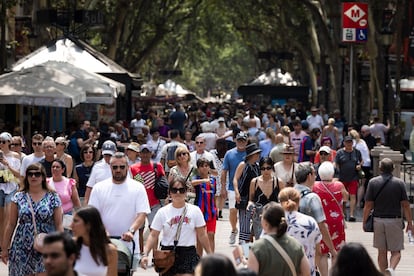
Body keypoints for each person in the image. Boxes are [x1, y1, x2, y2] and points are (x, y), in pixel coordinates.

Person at [89, 152, 150, 268]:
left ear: (127, 167)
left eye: (122, 167)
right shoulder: (99, 188)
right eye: (115, 167)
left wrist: (131, 231)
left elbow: (142, 214)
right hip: (103, 244)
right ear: (110, 168)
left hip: (129, 245)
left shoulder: (138, 187)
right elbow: (93, 215)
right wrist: (103, 231)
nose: (118, 170)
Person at [140, 178, 212, 275]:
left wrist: (210, 255)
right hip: (167, 254)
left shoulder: (195, 211)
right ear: (170, 193)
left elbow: (202, 235)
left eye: (181, 190)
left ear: (186, 192)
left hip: (188, 253)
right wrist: (145, 254)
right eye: (174, 190)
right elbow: (153, 235)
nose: (178, 193)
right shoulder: (162, 212)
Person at [2, 163, 64, 276]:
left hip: (46, 244)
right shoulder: (18, 197)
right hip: (22, 245)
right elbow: (11, 224)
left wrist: (61, 247)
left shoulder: (53, 197)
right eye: (30, 174)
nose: (33, 177)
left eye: (37, 174)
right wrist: (5, 248)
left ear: (43, 177)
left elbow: (59, 224)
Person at [363, 158, 413, 275]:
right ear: (393, 169)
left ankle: (384, 273)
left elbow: (368, 204)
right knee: (396, 252)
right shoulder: (399, 183)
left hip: (378, 220)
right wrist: (410, 223)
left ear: (380, 168)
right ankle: (391, 268)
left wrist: (364, 220)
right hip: (395, 220)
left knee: (382, 252)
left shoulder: (373, 182)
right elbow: (405, 205)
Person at [294, 162, 337, 275]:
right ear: (309, 176)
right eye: (314, 174)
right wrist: (332, 249)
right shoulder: (312, 198)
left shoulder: (288, 194)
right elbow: (322, 225)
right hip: (307, 246)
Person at [247, 202, 310, 276]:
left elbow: (251, 273)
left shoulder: (257, 248)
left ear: (265, 223)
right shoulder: (296, 245)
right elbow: (306, 273)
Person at [312, 162, 348, 276]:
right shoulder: (339, 185)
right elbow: (346, 197)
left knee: (322, 252)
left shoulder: (315, 185)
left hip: (321, 221)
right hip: (337, 221)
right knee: (336, 251)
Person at [130, 144, 165, 253]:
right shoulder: (133, 168)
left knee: (153, 229)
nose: (145, 155)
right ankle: (141, 253)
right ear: (139, 154)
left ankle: (155, 254)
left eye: (147, 152)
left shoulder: (157, 166)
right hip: (139, 205)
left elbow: (163, 182)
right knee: (139, 230)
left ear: (151, 153)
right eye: (143, 152)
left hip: (154, 203)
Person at [278, 187, 322, 276]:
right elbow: (318, 251)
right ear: (299, 201)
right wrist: (313, 267)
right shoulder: (311, 222)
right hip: (307, 271)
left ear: (280, 202)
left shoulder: (274, 221)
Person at [71, 206, 118, 276]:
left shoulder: (110, 251)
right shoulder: (70, 246)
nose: (71, 225)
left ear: (88, 225)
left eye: (76, 221)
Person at [221, 132, 248, 245]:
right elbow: (224, 171)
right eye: (239, 140)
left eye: (243, 140)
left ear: (246, 142)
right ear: (235, 141)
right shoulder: (229, 153)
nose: (241, 142)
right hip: (233, 187)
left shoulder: (250, 153)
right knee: (233, 210)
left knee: (245, 213)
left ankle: (243, 235)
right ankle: (234, 230)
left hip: (247, 187)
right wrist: (223, 187)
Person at [248, 157, 284, 240]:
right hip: (259, 216)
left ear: (272, 168)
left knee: (274, 239)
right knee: (253, 238)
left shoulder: (279, 182)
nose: (266, 171)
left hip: (274, 216)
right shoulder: (255, 182)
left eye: (268, 168)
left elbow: (283, 200)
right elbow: (251, 199)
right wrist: (250, 205)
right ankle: (249, 252)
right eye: (263, 168)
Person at [234, 143, 261, 244]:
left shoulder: (258, 166)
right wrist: (236, 192)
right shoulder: (243, 165)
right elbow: (235, 179)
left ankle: (252, 251)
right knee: (244, 227)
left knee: (256, 226)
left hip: (255, 198)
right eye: (256, 154)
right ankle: (245, 253)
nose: (258, 156)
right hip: (244, 197)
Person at [192, 157, 217, 255]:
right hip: (199, 213)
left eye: (206, 166)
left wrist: (216, 209)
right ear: (198, 168)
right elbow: (191, 183)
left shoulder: (213, 180)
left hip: (211, 212)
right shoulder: (196, 179)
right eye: (201, 166)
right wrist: (203, 181)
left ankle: (212, 259)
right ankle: (199, 260)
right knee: (200, 238)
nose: (204, 168)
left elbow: (214, 195)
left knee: (211, 235)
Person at [334, 135, 363, 222]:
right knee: (343, 196)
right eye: (347, 142)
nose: (349, 144)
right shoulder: (340, 153)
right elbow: (336, 163)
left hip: (353, 177)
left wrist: (359, 165)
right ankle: (343, 213)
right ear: (344, 143)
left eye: (350, 142)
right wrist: (337, 172)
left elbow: (361, 160)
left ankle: (351, 214)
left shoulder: (357, 152)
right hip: (342, 177)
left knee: (353, 195)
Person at [0, 132, 21, 247]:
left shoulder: (15, 156)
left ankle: (6, 244)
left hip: (11, 187)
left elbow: (18, 174)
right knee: (1, 218)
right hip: (0, 188)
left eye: (3, 141)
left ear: (9, 142)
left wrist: (7, 164)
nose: (1, 144)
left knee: (9, 217)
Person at [84, 140, 117, 204]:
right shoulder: (97, 166)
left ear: (115, 152)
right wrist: (86, 204)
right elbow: (90, 187)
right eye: (105, 155)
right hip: (99, 202)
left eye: (110, 155)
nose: (107, 157)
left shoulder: (122, 166)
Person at [210, 138, 227, 219]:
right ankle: (220, 211)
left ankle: (217, 211)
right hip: (223, 175)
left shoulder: (212, 152)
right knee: (221, 195)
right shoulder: (226, 154)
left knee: (217, 195)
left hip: (216, 175)